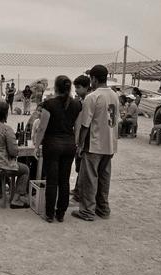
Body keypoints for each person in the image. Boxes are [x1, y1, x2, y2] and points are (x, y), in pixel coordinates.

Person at [72, 65, 119, 221]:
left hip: (94, 144)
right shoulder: (114, 95)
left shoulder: (92, 97)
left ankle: (87, 211)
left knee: (89, 178)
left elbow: (85, 124)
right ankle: (103, 208)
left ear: (93, 79)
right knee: (104, 178)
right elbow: (114, 120)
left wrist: (80, 145)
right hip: (110, 144)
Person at [34, 76, 82, 223]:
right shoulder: (77, 104)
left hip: (52, 145)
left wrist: (37, 145)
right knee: (64, 181)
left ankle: (49, 214)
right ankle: (60, 214)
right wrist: (77, 144)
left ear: (55, 87)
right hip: (69, 145)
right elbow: (78, 128)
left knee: (52, 181)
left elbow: (42, 127)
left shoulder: (49, 104)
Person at [70, 75, 91, 202]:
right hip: (82, 139)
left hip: (84, 140)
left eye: (78, 88)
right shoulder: (83, 100)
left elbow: (84, 124)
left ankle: (79, 193)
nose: (76, 90)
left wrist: (80, 143)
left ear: (86, 87)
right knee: (80, 167)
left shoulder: (87, 101)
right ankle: (77, 189)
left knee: (82, 167)